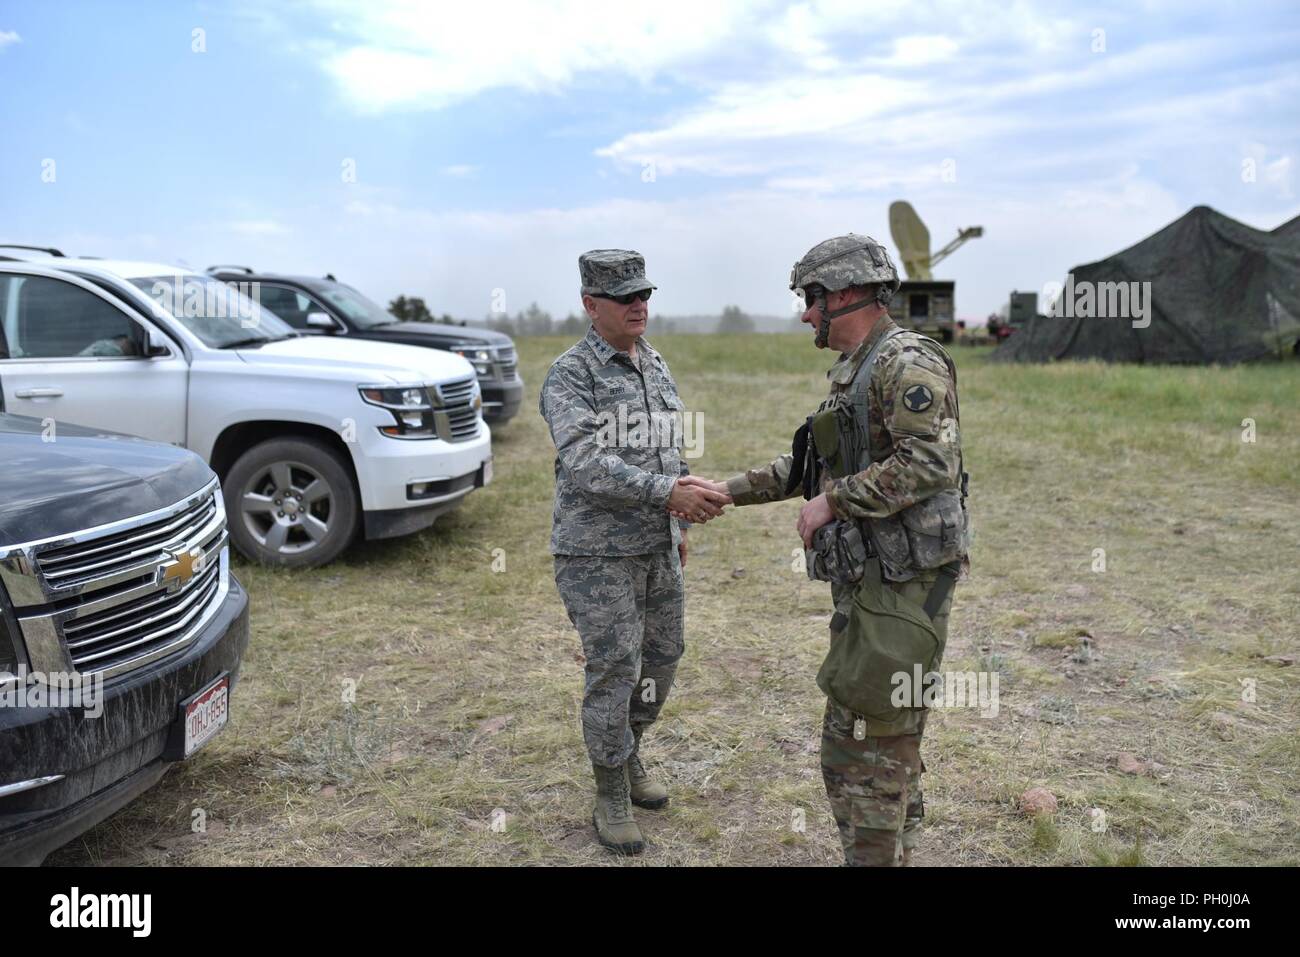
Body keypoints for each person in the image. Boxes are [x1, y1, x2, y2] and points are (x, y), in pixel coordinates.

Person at [679, 234, 969, 866]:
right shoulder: (859, 370)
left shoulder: (905, 361)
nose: (805, 314)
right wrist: (724, 491)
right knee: (888, 750)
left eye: (810, 299)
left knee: (860, 754)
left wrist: (834, 503)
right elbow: (811, 465)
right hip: (875, 585)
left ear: (842, 294)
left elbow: (929, 462)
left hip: (903, 589)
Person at [540, 248, 730, 855]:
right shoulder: (571, 374)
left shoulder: (654, 365)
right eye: (624, 298)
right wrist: (667, 498)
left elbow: (669, 456)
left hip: (656, 546)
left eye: (643, 295)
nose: (638, 306)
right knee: (615, 669)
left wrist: (682, 524)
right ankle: (609, 791)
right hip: (597, 556)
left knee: (664, 658)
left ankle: (631, 755)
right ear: (591, 305)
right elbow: (588, 465)